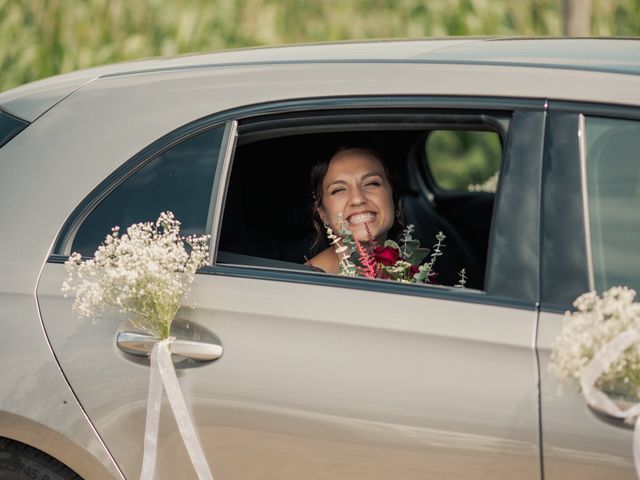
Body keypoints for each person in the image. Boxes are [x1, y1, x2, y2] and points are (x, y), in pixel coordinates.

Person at [307, 147, 404, 273]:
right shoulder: (307, 284)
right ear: (322, 214)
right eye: (339, 190)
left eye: (371, 183)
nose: (358, 199)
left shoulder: (408, 271)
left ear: (394, 200)